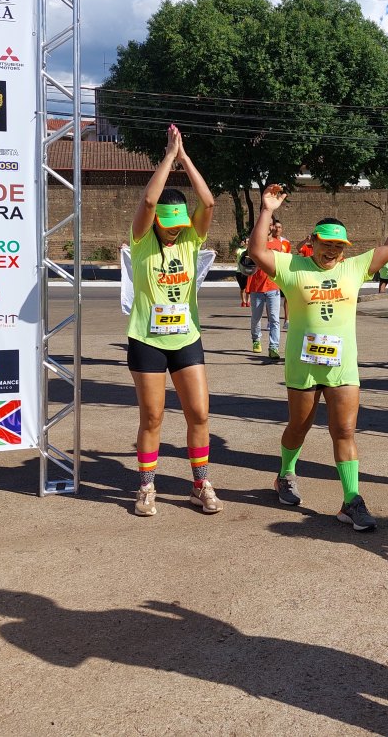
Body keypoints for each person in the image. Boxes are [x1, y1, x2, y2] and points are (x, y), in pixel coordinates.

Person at [249, 183, 388, 532]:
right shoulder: (291, 266)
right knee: (299, 426)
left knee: (344, 430)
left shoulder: (354, 267)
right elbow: (256, 251)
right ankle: (285, 474)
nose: (331, 251)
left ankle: (351, 500)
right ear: (312, 241)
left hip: (343, 366)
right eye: (326, 244)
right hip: (303, 365)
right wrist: (266, 209)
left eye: (338, 246)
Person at [125, 124, 222, 518]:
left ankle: (200, 484)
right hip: (147, 339)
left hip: (186, 338)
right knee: (152, 416)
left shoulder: (190, 238)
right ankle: (146, 487)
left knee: (199, 413)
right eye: (169, 223)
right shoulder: (143, 237)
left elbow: (210, 202)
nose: (174, 229)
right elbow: (148, 203)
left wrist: (185, 159)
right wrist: (167, 157)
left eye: (179, 223)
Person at [247, 217, 288, 359]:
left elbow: (282, 265)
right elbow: (245, 264)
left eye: (271, 225)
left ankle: (273, 347)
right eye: (267, 225)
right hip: (257, 288)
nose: (270, 227)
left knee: (275, 319)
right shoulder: (255, 243)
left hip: (273, 287)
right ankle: (256, 340)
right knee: (256, 318)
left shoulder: (279, 244)